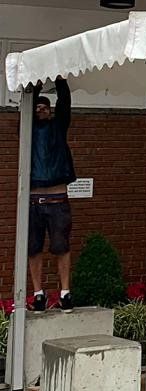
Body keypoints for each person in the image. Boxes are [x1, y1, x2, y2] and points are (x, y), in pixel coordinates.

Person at [28, 78, 77, 312]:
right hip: (33, 198)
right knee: (32, 247)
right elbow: (26, 110)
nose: (40, 111)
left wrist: (60, 81)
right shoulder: (28, 130)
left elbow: (65, 104)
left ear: (50, 110)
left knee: (61, 245)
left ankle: (65, 292)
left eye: (44, 108)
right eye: (37, 108)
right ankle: (38, 293)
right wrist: (35, 87)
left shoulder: (58, 127)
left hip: (57, 197)